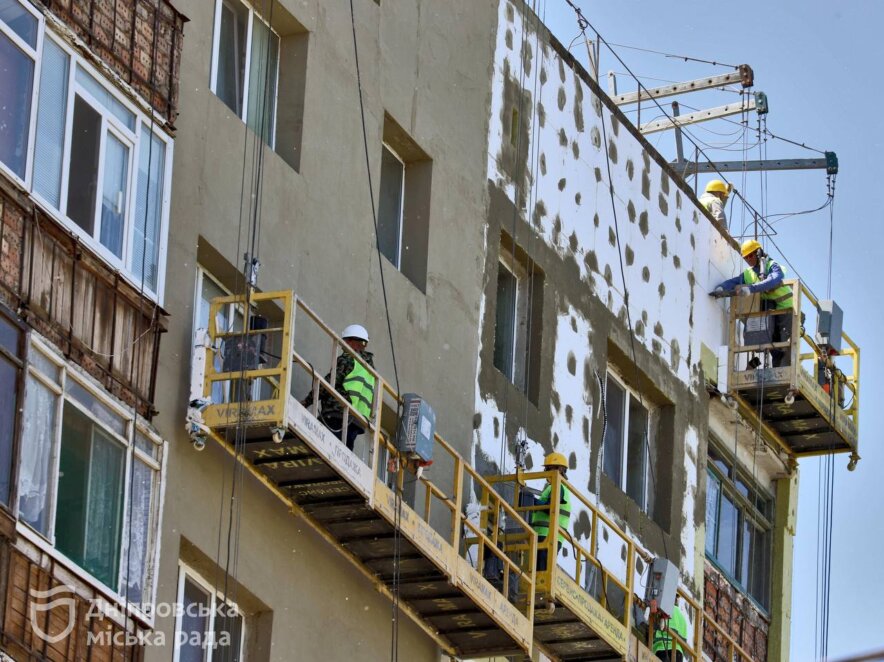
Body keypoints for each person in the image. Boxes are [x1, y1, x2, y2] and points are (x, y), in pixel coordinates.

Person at [713, 239, 795, 367]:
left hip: (787, 309)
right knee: (772, 342)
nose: (748, 259)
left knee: (782, 342)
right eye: (745, 257)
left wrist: (751, 289)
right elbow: (735, 282)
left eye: (751, 255)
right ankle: (776, 371)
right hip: (770, 310)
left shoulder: (771, 265)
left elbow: (774, 279)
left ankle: (781, 371)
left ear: (758, 253)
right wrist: (722, 288)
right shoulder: (749, 273)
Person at [302, 324, 376, 451]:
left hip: (338, 415)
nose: (343, 345)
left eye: (345, 342)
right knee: (345, 452)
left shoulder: (348, 359)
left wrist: (307, 401)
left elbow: (329, 383)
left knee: (322, 448)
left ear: (351, 341)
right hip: (357, 420)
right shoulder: (371, 370)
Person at [531, 452, 572, 572]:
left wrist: (532, 501)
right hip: (543, 534)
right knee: (536, 570)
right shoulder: (552, 487)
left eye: (548, 469)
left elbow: (550, 508)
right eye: (546, 469)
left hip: (549, 535)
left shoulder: (559, 486)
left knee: (541, 571)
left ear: (560, 469)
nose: (546, 472)